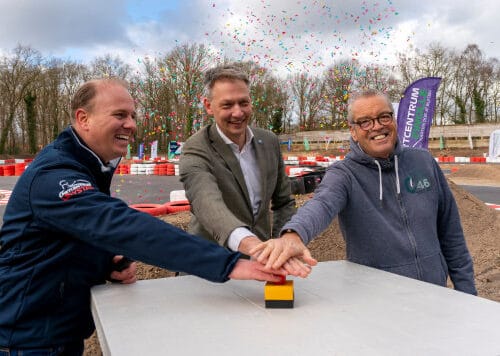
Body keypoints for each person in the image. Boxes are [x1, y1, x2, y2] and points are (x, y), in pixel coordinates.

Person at [0, 78, 288, 355]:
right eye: (120, 115)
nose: (131, 124)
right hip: (25, 339)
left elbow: (70, 237)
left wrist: (105, 263)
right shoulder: (55, 175)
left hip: (53, 331)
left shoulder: (90, 164)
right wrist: (228, 263)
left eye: (133, 115)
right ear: (83, 118)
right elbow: (120, 226)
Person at [251, 89, 477, 295]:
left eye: (384, 117)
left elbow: (451, 234)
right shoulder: (344, 175)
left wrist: (467, 295)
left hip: (434, 294)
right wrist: (293, 234)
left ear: (394, 120)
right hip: (376, 300)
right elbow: (321, 204)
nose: (377, 126)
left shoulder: (424, 162)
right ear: (354, 131)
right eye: (365, 122)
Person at [179, 64, 316, 276]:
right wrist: (255, 247)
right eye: (227, 105)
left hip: (262, 265)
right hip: (210, 267)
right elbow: (207, 203)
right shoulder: (196, 147)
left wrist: (282, 244)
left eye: (244, 103)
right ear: (208, 106)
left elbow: (284, 201)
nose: (238, 112)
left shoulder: (269, 141)